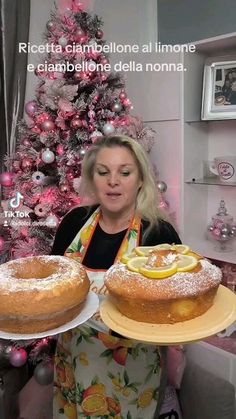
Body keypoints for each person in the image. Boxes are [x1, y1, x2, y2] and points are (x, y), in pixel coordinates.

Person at [52, 135, 181, 419]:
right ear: (92, 178)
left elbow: (175, 310)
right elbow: (56, 292)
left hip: (132, 377)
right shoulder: (73, 224)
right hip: (71, 365)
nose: (113, 181)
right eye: (103, 172)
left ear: (139, 180)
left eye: (124, 172)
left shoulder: (157, 234)